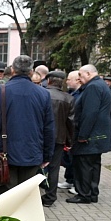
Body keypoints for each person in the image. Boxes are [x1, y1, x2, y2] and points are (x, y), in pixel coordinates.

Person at [0, 55, 55, 197]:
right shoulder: (44, 94)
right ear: (32, 72)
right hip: (33, 152)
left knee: (4, 195)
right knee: (25, 195)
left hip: (3, 151)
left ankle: (4, 218)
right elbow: (49, 128)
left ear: (12, 70)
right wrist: (47, 155)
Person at [66, 64, 111, 204]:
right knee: (93, 165)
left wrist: (82, 135)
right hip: (97, 134)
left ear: (88, 73)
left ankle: (84, 194)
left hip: (90, 136)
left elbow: (89, 113)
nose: (79, 79)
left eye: (80, 75)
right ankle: (92, 193)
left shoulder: (93, 87)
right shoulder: (100, 85)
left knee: (84, 165)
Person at [41, 71, 74, 207]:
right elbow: (71, 122)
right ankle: (50, 196)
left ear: (48, 81)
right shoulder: (68, 98)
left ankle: (33, 194)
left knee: (34, 166)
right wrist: (69, 141)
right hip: (58, 138)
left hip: (40, 137)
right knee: (54, 168)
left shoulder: (41, 94)